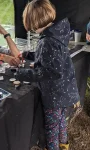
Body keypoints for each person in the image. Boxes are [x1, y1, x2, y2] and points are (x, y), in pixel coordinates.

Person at [16, 0, 80, 150]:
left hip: (55, 95)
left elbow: (50, 71)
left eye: (31, 25)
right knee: (61, 122)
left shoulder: (47, 41)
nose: (31, 28)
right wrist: (27, 54)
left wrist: (22, 74)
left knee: (51, 129)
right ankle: (64, 145)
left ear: (36, 21)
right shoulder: (58, 32)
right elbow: (49, 57)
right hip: (66, 91)